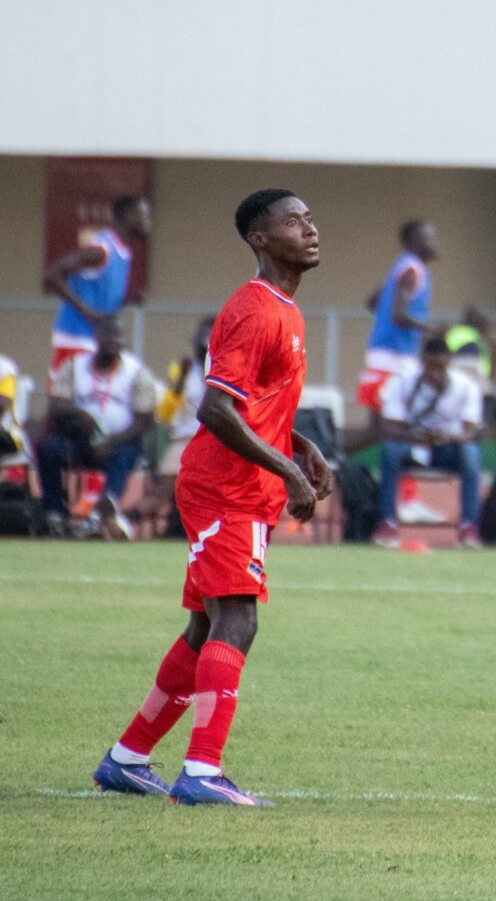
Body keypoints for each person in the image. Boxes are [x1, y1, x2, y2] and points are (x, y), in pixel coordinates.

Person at [91, 188, 332, 805]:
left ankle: (127, 757)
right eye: (294, 221)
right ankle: (201, 772)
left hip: (241, 486)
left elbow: (256, 406)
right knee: (238, 619)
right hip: (228, 489)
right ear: (260, 238)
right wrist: (290, 471)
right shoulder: (255, 310)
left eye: (309, 219)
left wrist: (300, 445)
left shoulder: (285, 308)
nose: (310, 229)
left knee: (204, 626)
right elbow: (216, 409)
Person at [39, 318, 157, 540]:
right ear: (96, 338)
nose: (114, 341)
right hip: (81, 440)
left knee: (125, 454)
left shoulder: (136, 371)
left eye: (118, 336)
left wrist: (111, 442)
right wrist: (80, 414)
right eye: (108, 335)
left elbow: (144, 420)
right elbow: (56, 404)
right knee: (49, 448)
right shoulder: (74, 366)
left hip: (120, 441)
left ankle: (99, 515)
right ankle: (55, 515)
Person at [374, 335, 485, 550]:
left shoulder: (465, 386)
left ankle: (468, 526)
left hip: (447, 449)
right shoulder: (403, 382)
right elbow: (389, 426)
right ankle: (387, 522)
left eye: (440, 367)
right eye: (430, 366)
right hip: (412, 447)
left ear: (449, 361)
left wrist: (447, 437)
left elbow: (470, 430)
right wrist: (413, 436)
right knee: (390, 450)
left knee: (471, 453)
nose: (435, 373)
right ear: (422, 360)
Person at [44, 194, 152, 371]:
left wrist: (126, 300)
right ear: (128, 216)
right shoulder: (101, 250)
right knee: (66, 389)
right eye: (144, 215)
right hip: (77, 339)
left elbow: (99, 298)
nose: (149, 221)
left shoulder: (124, 251)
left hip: (99, 342)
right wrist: (88, 313)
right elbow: (51, 275)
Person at [356, 220, 438, 422]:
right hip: (395, 354)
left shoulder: (401, 265)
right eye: (429, 238)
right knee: (394, 420)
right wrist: (432, 328)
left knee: (385, 421)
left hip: (386, 349)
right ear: (412, 242)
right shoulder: (411, 270)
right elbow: (398, 316)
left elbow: (372, 302)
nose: (435, 243)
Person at [152, 314, 216, 536]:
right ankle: (162, 511)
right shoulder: (182, 369)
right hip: (184, 437)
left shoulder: (226, 368)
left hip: (216, 437)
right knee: (174, 465)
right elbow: (164, 415)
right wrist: (179, 382)